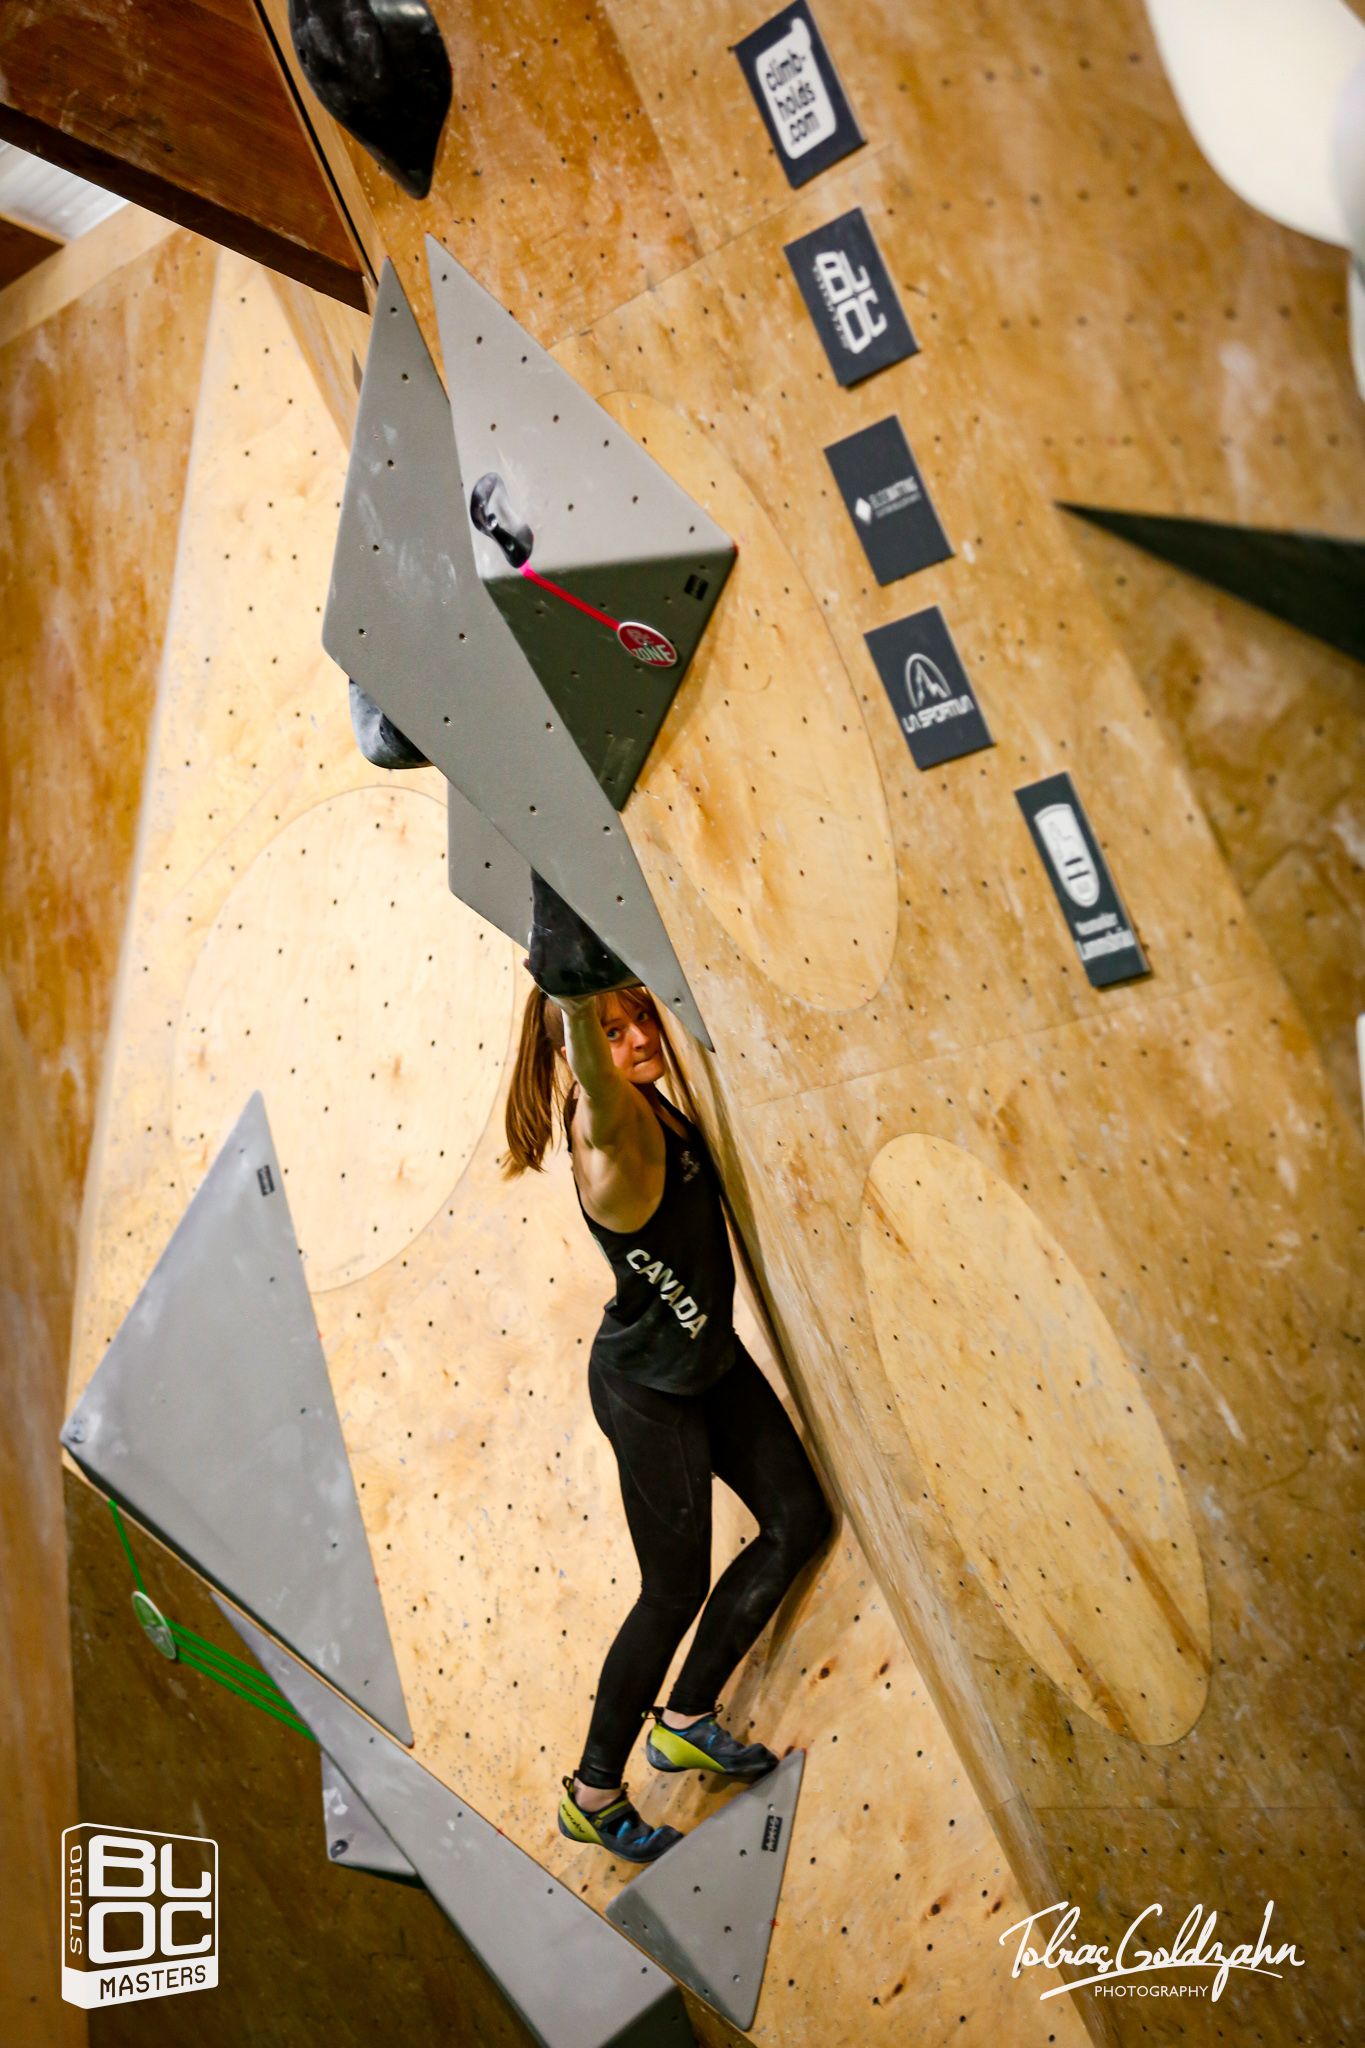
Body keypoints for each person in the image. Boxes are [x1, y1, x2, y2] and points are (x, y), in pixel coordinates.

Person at [502, 945, 834, 1866]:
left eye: (642, 1016)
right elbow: (594, 1069)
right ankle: (593, 1793)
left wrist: (598, 994)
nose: (642, 1037)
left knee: (798, 1520)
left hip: (704, 1361)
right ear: (576, 1052)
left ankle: (685, 1719)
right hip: (649, 1391)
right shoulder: (605, 1128)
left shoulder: (647, 1099)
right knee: (671, 1588)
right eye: (613, 1032)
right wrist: (577, 1002)